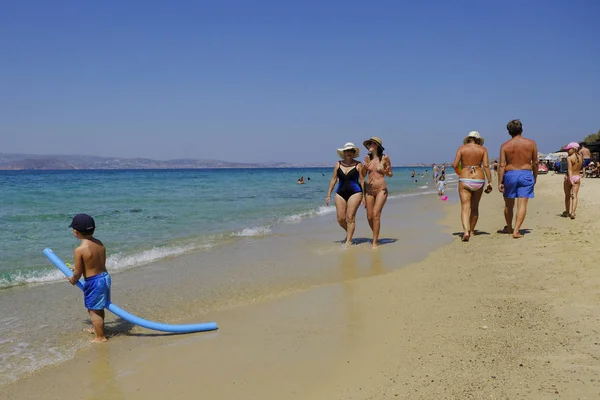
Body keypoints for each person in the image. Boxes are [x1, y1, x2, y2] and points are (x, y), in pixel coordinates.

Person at [67, 214, 111, 343]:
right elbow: (96, 262)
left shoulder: (79, 250)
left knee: (93, 310)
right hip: (105, 277)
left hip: (94, 282)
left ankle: (100, 337)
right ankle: (97, 329)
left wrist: (73, 279)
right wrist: (78, 268)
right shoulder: (99, 243)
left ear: (75, 232)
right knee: (99, 306)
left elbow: (78, 273)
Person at [498, 119, 538, 238]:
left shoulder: (505, 146)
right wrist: (534, 176)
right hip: (526, 173)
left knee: (508, 204)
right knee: (522, 204)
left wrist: (500, 181)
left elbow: (502, 165)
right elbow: (535, 162)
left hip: (510, 174)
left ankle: (509, 228)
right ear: (521, 129)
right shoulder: (531, 143)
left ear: (509, 132)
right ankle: (516, 230)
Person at [451, 131, 492, 242]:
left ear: (468, 139)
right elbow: (486, 166)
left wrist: (460, 172)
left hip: (464, 178)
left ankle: (465, 232)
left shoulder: (461, 149)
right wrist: (490, 181)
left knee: (465, 207)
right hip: (479, 178)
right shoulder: (483, 150)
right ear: (478, 140)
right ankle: (472, 231)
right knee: (475, 207)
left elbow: (454, 164)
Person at [326, 143, 363, 246]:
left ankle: (348, 242)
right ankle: (350, 232)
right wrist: (329, 194)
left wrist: (364, 196)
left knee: (350, 217)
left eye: (351, 151)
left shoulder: (358, 164)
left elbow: (362, 180)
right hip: (340, 192)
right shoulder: (338, 164)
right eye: (347, 151)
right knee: (340, 219)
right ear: (344, 153)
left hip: (355, 192)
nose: (349, 152)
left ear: (354, 153)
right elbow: (333, 179)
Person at [361, 136, 393, 249]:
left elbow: (390, 174)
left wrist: (383, 170)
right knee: (369, 217)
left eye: (372, 144)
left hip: (381, 190)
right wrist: (364, 168)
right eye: (368, 144)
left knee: (376, 214)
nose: (369, 146)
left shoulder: (384, 158)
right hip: (369, 191)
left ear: (377, 146)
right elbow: (362, 175)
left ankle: (374, 242)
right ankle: (376, 234)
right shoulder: (367, 158)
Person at [563, 142, 583, 219]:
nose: (567, 151)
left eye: (568, 149)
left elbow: (570, 170)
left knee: (567, 196)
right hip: (577, 177)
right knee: (575, 196)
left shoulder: (569, 158)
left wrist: (570, 179)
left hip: (569, 178)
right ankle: (573, 212)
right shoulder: (580, 157)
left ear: (574, 149)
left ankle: (567, 212)